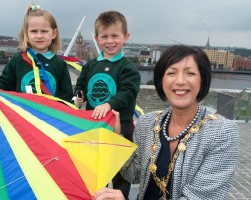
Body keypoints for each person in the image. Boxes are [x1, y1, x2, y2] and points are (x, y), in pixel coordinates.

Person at [94, 45, 239, 200]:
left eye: (190, 73)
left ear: (202, 80)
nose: (180, 81)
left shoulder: (221, 132)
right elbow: (133, 174)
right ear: (161, 81)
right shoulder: (147, 123)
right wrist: (117, 138)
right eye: (171, 73)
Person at [75, 11, 141, 199]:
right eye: (104, 36)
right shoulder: (90, 65)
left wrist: (109, 104)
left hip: (121, 127)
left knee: (121, 171)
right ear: (97, 39)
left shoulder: (128, 67)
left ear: (125, 37)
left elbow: (128, 92)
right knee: (94, 170)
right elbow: (81, 86)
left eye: (115, 36)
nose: (110, 41)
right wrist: (78, 97)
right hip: (94, 125)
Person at [0, 4, 73, 102]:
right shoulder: (18, 59)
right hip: (23, 115)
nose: (39, 36)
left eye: (44, 31)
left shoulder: (60, 64)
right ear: (26, 34)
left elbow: (66, 96)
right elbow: (6, 82)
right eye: (34, 31)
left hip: (49, 115)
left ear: (54, 34)